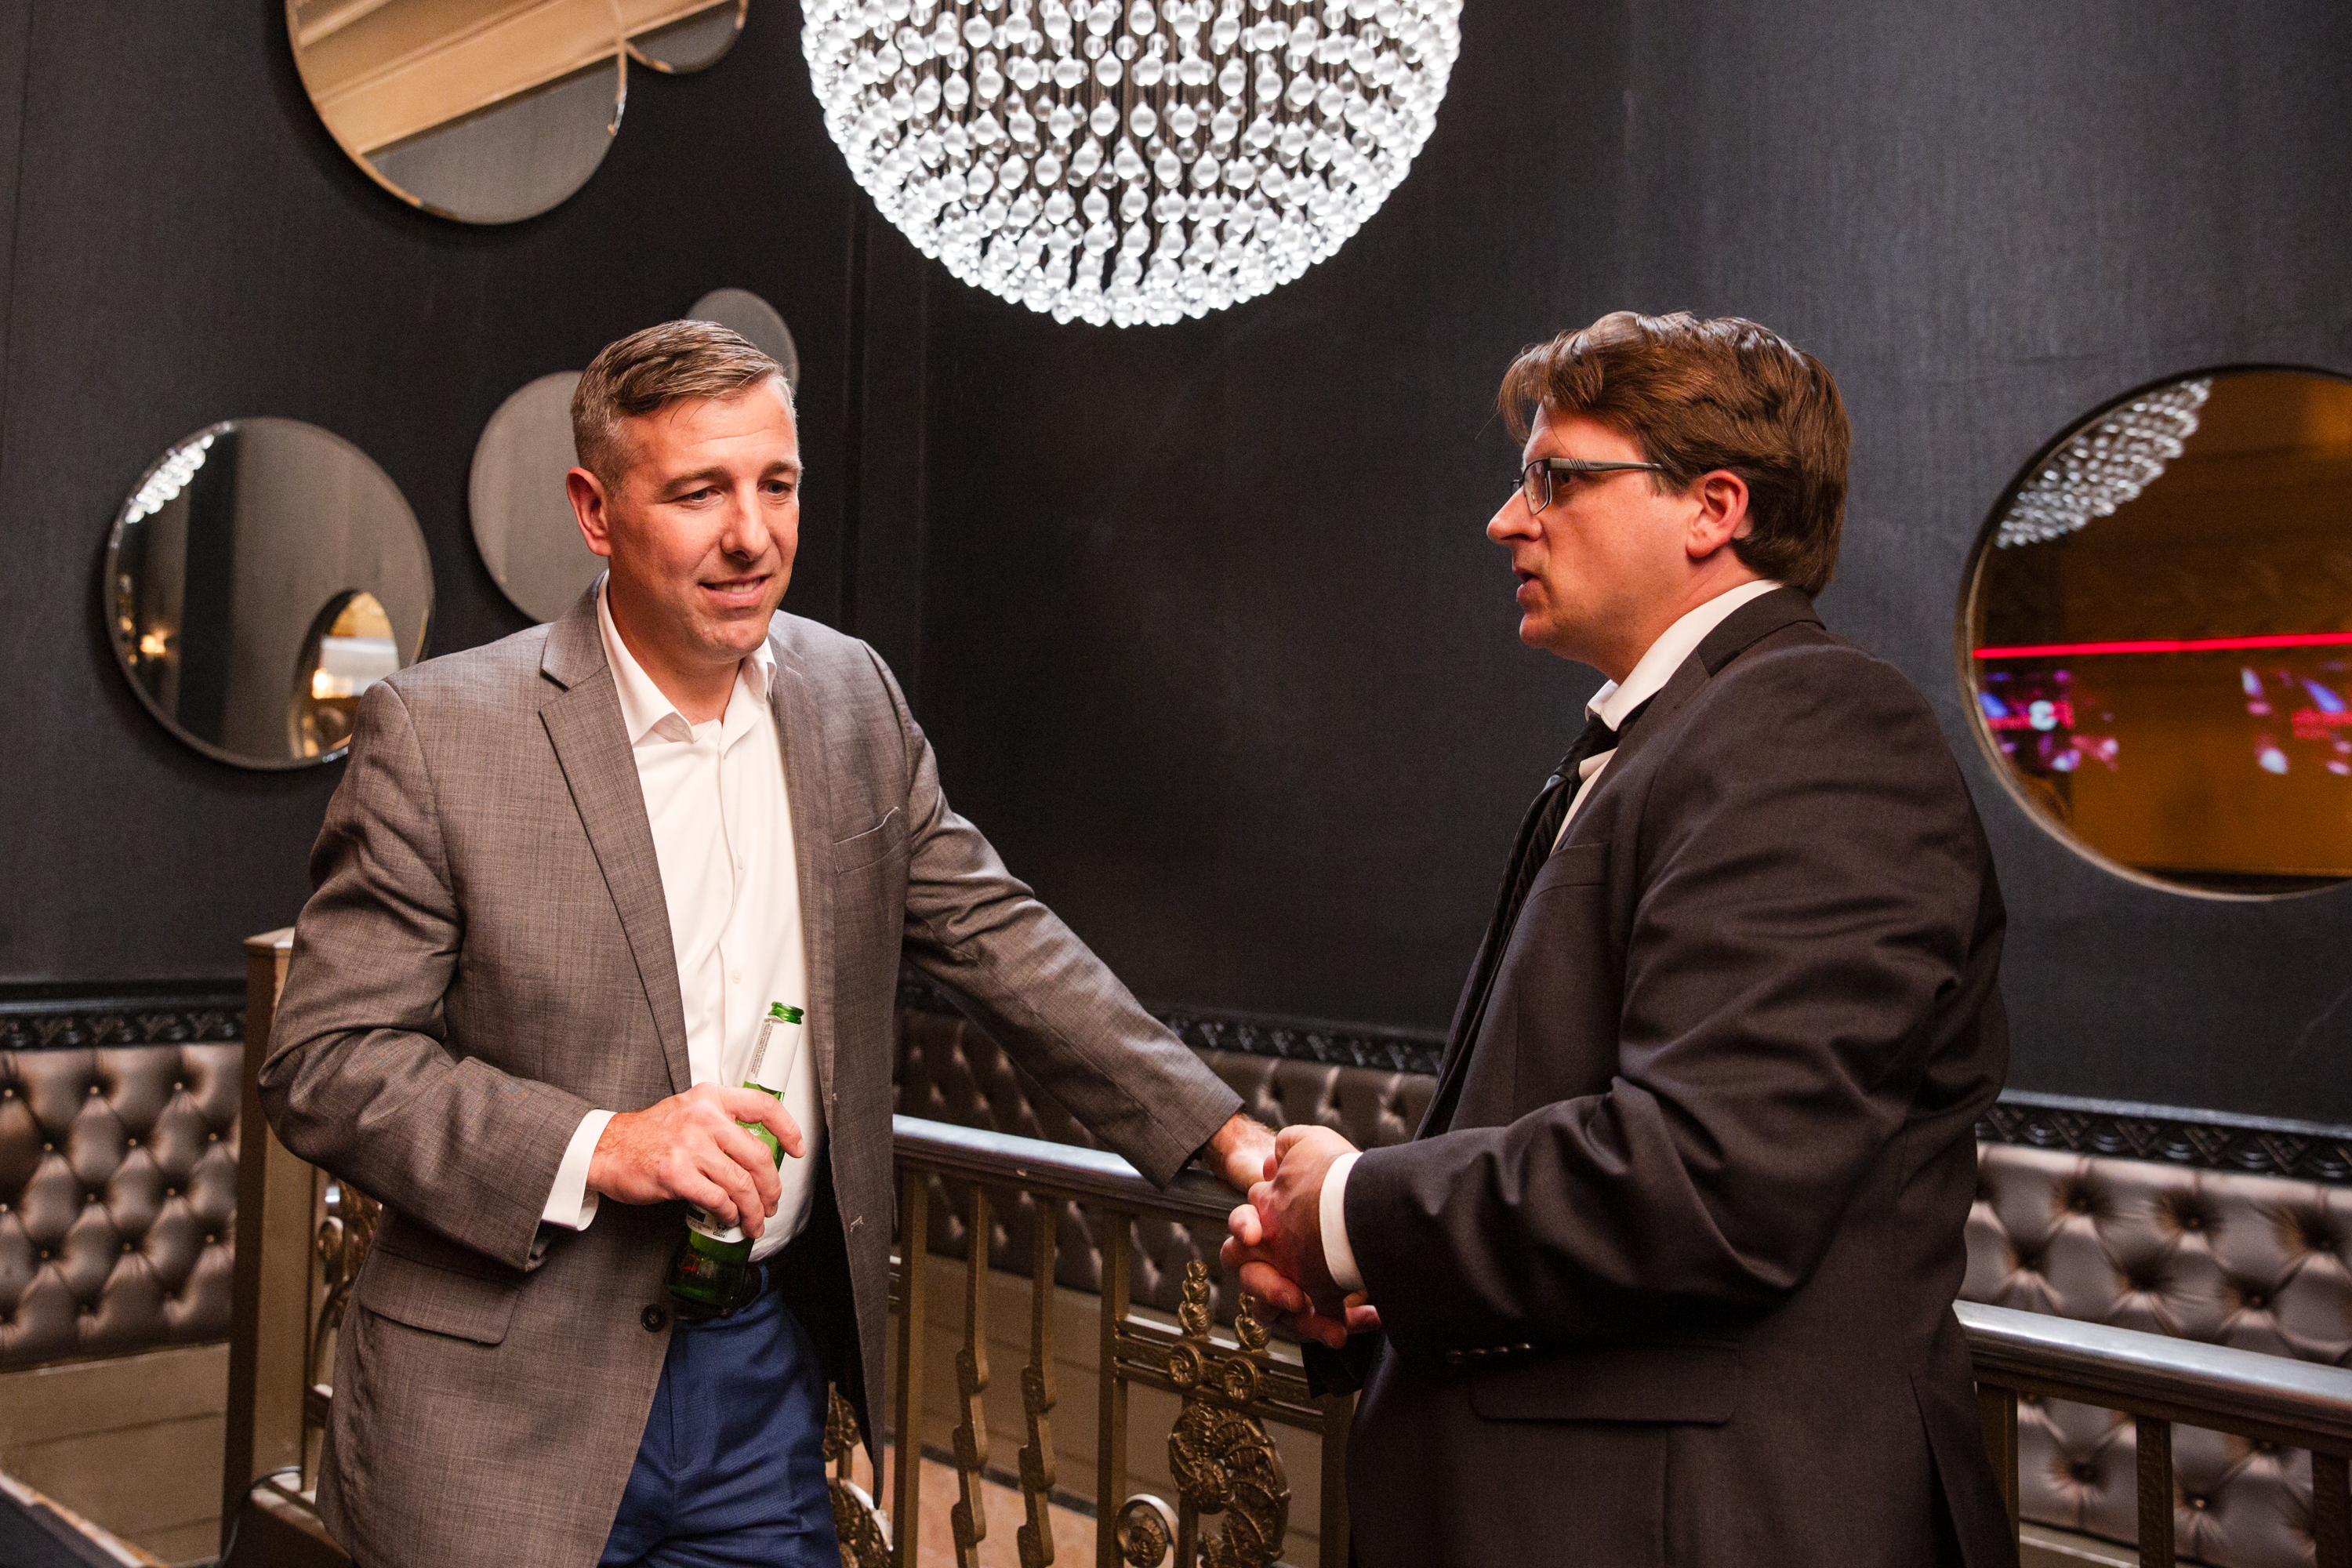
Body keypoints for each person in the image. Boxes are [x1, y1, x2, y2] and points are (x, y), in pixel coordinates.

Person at [260, 320, 1274, 1568]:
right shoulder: (441, 731)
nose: (751, 535)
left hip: (757, 1380)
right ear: (594, 510)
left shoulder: (853, 697)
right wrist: (603, 1145)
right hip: (496, 1414)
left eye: (776, 485)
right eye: (699, 493)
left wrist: (1233, 1141)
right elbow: (326, 1062)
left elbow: (999, 938)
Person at [1224, 311, 2018, 1566]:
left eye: (1557, 479)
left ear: (1713, 507)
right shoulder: (1680, 733)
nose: (1508, 520)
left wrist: (1351, 1213)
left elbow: (1710, 1179)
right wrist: (1377, 1280)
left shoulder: (1814, 725)